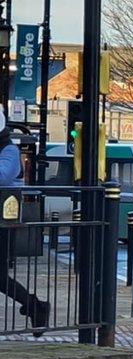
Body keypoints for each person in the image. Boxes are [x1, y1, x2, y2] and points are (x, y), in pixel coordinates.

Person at [0, 112, 49, 332]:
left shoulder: (9, 151)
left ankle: (35, 306)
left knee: (0, 277)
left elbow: (2, 176)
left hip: (3, 223)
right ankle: (35, 306)